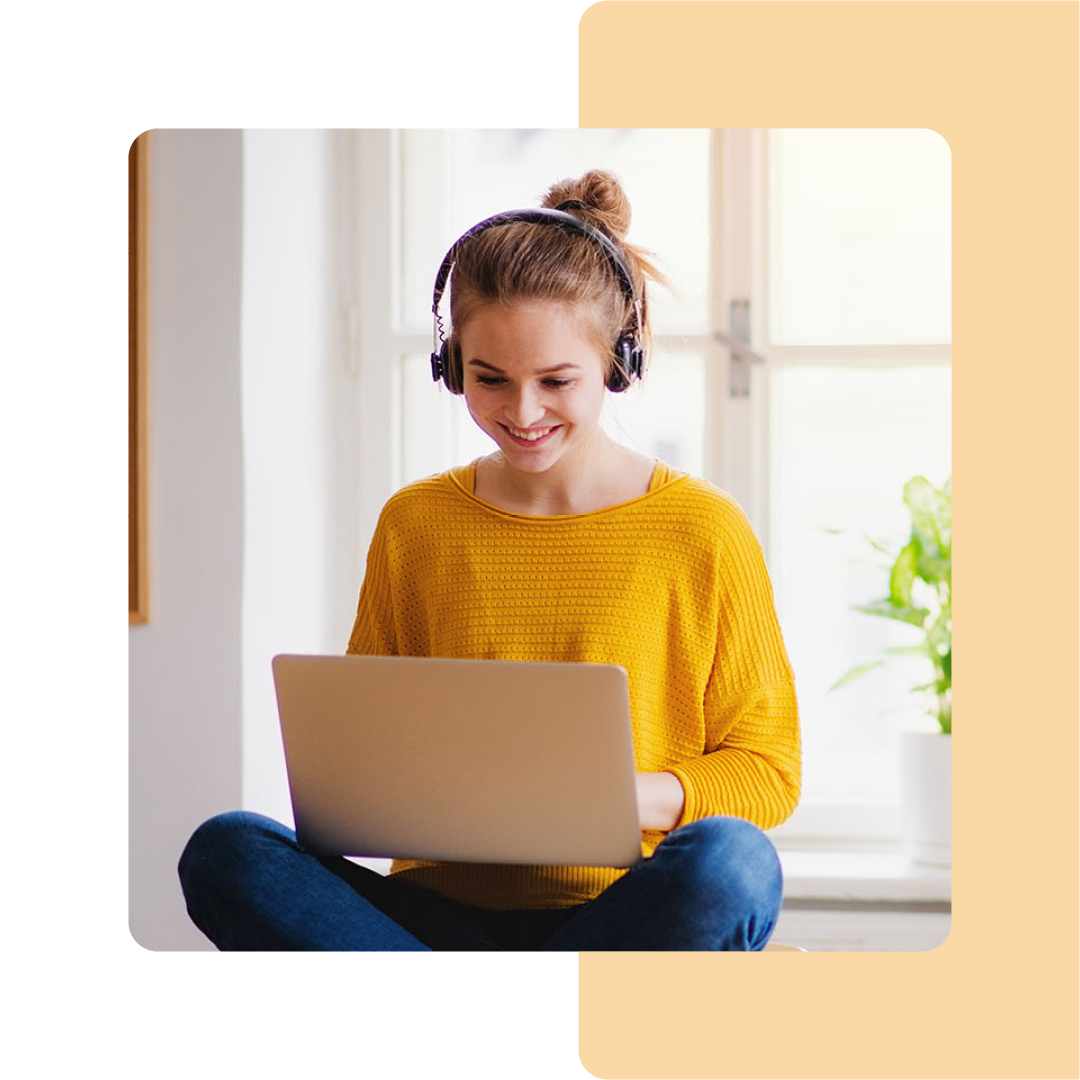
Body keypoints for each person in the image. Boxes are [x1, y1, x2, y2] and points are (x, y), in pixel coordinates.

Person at [179, 169, 801, 951]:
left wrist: (606, 799)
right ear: (451, 367)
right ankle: (530, 1025)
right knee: (226, 850)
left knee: (734, 862)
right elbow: (361, 762)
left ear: (618, 362)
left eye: (557, 380)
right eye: (490, 379)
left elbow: (768, 771)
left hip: (616, 915)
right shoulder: (417, 524)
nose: (523, 411)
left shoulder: (702, 529)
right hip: (431, 918)